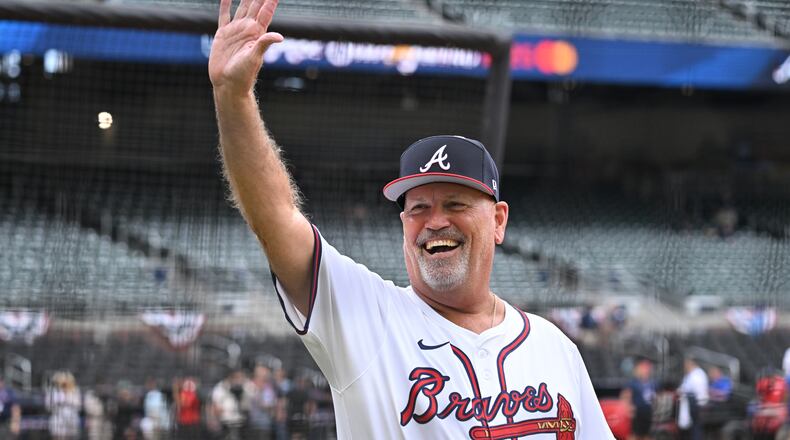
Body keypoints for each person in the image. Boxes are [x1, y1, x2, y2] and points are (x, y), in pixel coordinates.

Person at [208, 0, 615, 437]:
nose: (435, 221)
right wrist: (234, 99)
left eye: (456, 204)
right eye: (418, 208)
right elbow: (275, 219)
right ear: (404, 224)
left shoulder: (553, 348)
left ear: (498, 221)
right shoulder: (367, 317)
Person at [620, 358, 655, 440]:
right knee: (635, 435)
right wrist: (628, 408)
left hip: (647, 414)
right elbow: (625, 396)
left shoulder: (652, 383)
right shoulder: (633, 383)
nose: (645, 371)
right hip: (637, 414)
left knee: (647, 435)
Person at [677, 358, 709, 440]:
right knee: (692, 426)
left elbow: (694, 390)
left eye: (686, 365)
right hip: (693, 402)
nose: (685, 367)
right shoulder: (691, 374)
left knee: (695, 426)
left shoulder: (697, 374)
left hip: (696, 403)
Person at [46, 371, 82, 440]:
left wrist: (68, 399)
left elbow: (78, 405)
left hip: (72, 420)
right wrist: (61, 401)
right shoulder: (53, 391)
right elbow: (48, 406)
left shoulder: (75, 390)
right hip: (57, 420)